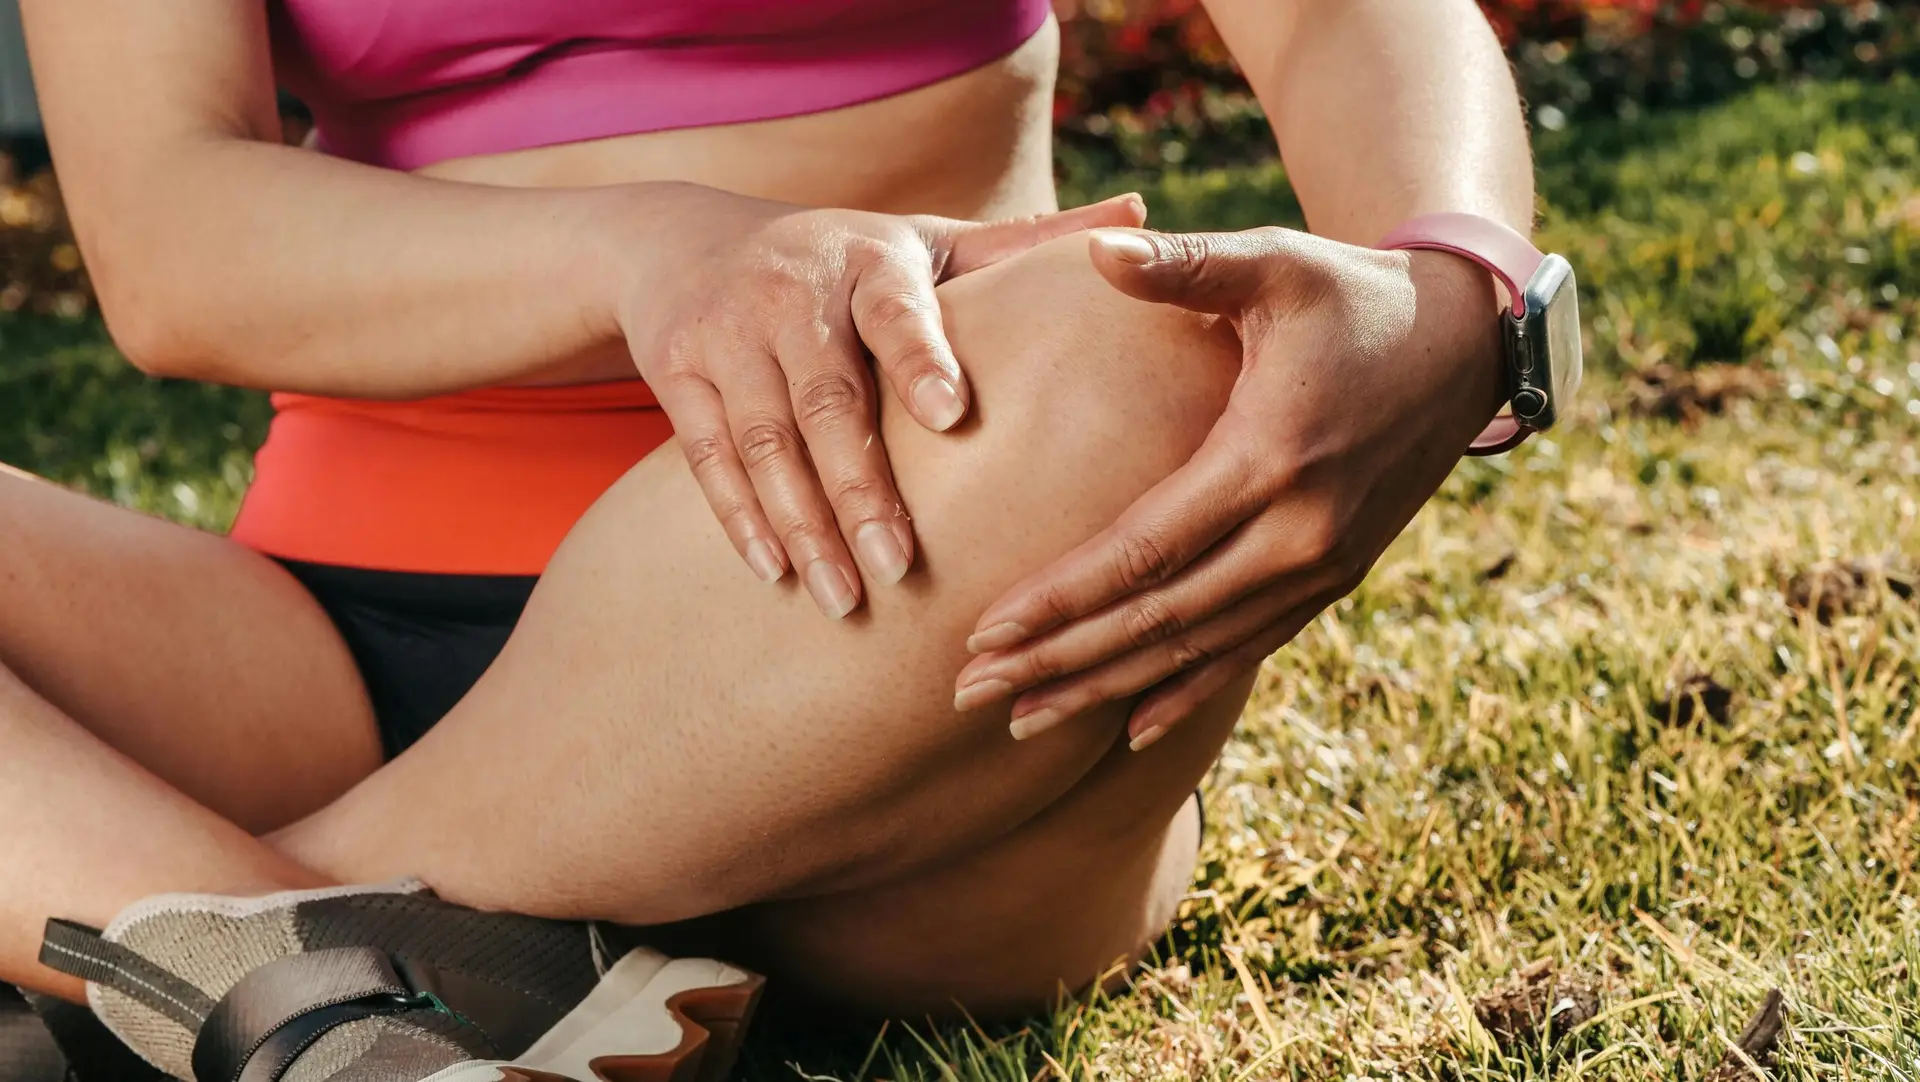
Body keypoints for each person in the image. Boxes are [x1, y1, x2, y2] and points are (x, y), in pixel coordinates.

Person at [1, 0, 1532, 1075]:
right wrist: (645, 246)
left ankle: (208, 957)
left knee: (1146, 355)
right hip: (317, 656)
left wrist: (1459, 287)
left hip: (906, 627)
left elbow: (1341, 13)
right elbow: (170, 235)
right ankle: (318, 999)